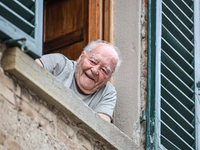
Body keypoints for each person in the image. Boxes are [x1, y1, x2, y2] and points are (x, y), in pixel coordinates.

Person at [35, 40, 121, 122]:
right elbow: (30, 67)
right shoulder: (59, 63)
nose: (95, 70)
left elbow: (102, 127)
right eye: (93, 61)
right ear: (81, 57)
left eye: (103, 70)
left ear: (108, 78)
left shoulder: (108, 93)